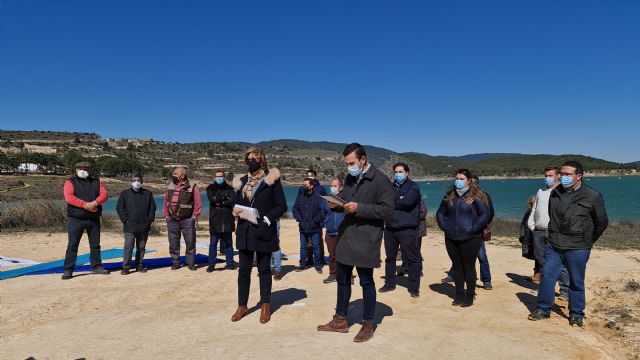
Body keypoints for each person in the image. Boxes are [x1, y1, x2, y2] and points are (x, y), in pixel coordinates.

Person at [317, 143, 394, 343]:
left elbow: (387, 210)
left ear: (363, 159)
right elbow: (347, 203)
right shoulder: (350, 178)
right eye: (347, 163)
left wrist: (359, 208)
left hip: (367, 238)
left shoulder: (381, 181)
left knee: (366, 281)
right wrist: (336, 205)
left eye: (351, 163)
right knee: (342, 280)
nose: (349, 167)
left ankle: (368, 323)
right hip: (346, 236)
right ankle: (340, 319)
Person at [528, 161, 608, 327]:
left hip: (578, 247)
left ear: (579, 176)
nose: (563, 177)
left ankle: (576, 313)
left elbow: (601, 222)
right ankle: (543, 309)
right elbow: (552, 216)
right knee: (547, 277)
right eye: (562, 174)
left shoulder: (593, 196)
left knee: (576, 281)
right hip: (554, 245)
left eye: (568, 174)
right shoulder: (555, 193)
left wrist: (587, 240)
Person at [231, 147, 287, 324]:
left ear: (261, 160)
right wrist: (235, 209)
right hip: (244, 231)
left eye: (253, 158)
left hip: (263, 230)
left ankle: (265, 305)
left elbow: (281, 205)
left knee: (264, 270)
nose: (250, 162)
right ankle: (242, 305)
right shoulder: (241, 181)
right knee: (244, 271)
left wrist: (268, 219)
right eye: (247, 159)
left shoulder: (271, 179)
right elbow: (236, 202)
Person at [436, 169, 490, 307]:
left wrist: (473, 228)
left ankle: (470, 296)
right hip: (451, 237)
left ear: (469, 180)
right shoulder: (449, 196)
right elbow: (440, 213)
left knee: (469, 267)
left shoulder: (477, 196)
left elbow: (485, 215)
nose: (458, 181)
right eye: (457, 178)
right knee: (457, 267)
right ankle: (459, 295)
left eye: (461, 178)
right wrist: (444, 226)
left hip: (471, 238)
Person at [527, 167, 569, 303]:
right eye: (546, 175)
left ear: (558, 176)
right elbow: (535, 209)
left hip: (554, 232)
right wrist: (532, 225)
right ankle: (545, 288)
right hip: (539, 231)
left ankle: (565, 290)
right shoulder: (540, 192)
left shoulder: (562, 192)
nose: (548, 177)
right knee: (542, 261)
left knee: (561, 263)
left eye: (550, 175)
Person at [61, 161, 110, 279]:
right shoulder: (70, 181)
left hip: (93, 219)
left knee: (95, 245)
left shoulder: (96, 181)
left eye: (85, 168)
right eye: (80, 168)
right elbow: (69, 197)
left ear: (90, 170)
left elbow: (104, 195)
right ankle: (68, 269)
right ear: (76, 169)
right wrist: (85, 205)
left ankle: (96, 266)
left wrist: (94, 203)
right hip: (75, 219)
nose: (82, 170)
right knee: (73, 245)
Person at [379, 162, 422, 298]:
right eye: (396, 172)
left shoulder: (413, 187)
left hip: (407, 229)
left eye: (400, 172)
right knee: (390, 258)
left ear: (407, 172)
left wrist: (391, 203)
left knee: (412, 258)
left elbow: (408, 202)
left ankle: (414, 287)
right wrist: (396, 201)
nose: (398, 174)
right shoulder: (389, 187)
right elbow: (382, 202)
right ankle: (389, 283)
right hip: (390, 228)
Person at [162, 166, 202, 271]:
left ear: (183, 176)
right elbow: (166, 202)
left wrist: (194, 216)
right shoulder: (170, 185)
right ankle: (175, 262)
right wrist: (166, 216)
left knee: (190, 242)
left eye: (176, 174)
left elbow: (197, 202)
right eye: (173, 173)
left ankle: (191, 263)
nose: (173, 175)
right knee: (173, 242)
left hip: (187, 219)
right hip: (172, 219)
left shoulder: (192, 186)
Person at [116, 174, 156, 275]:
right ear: (131, 181)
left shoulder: (147, 193)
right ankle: (126, 267)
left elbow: (152, 207)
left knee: (141, 247)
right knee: (128, 247)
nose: (136, 182)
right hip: (130, 226)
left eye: (138, 180)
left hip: (144, 225)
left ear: (142, 181)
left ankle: (139, 265)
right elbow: (120, 208)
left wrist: (149, 220)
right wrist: (125, 220)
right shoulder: (125, 194)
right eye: (134, 180)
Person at [206, 170, 236, 272]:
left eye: (221, 176)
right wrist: (224, 199)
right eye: (217, 176)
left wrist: (220, 202)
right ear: (214, 177)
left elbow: (232, 200)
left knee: (228, 243)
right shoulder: (210, 188)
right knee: (213, 243)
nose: (219, 178)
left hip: (227, 218)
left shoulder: (230, 188)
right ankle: (211, 264)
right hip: (215, 219)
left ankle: (230, 263)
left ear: (224, 177)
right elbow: (212, 199)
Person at [293, 177, 325, 273]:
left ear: (311, 186)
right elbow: (295, 209)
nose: (304, 187)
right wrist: (300, 220)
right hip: (303, 227)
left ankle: (318, 265)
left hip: (315, 227)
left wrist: (315, 221)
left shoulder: (318, 197)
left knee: (316, 246)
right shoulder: (300, 196)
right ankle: (302, 264)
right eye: (303, 185)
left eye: (306, 185)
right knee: (303, 247)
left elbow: (322, 211)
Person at [321, 178, 346, 283]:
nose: (333, 188)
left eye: (335, 186)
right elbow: (323, 214)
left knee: (345, 255)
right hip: (330, 233)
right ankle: (333, 274)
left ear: (341, 187)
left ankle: (346, 275)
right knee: (332, 256)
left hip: (343, 233)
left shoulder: (345, 200)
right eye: (331, 186)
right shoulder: (326, 200)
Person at [519, 196, 536, 261]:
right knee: (533, 255)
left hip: (537, 237)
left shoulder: (540, 213)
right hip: (528, 237)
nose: (533, 204)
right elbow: (522, 225)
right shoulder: (528, 212)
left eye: (535, 203)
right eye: (532, 203)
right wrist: (522, 236)